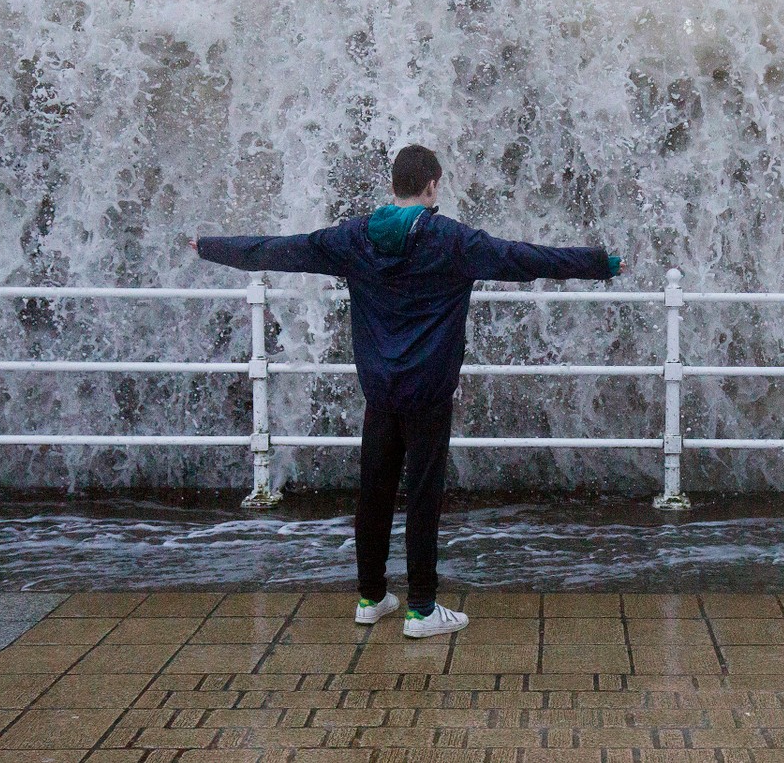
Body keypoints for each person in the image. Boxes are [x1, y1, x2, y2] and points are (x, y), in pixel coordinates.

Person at [192, 144, 624, 638]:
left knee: (373, 492)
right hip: (428, 393)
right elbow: (524, 259)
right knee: (422, 495)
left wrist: (209, 245)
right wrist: (601, 263)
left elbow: (278, 249)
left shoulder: (354, 238)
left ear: (394, 185)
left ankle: (371, 597)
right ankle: (421, 609)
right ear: (433, 185)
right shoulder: (451, 241)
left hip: (380, 391)